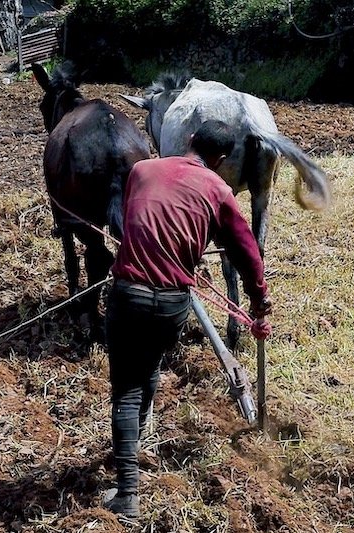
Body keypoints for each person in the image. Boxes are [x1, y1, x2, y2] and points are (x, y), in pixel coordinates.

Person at [102, 120, 273, 518]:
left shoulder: (143, 171)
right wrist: (258, 299)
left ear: (191, 140)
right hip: (173, 304)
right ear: (223, 158)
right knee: (149, 372)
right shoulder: (219, 191)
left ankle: (127, 493)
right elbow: (247, 250)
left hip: (129, 294)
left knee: (126, 390)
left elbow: (136, 220)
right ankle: (135, 444)